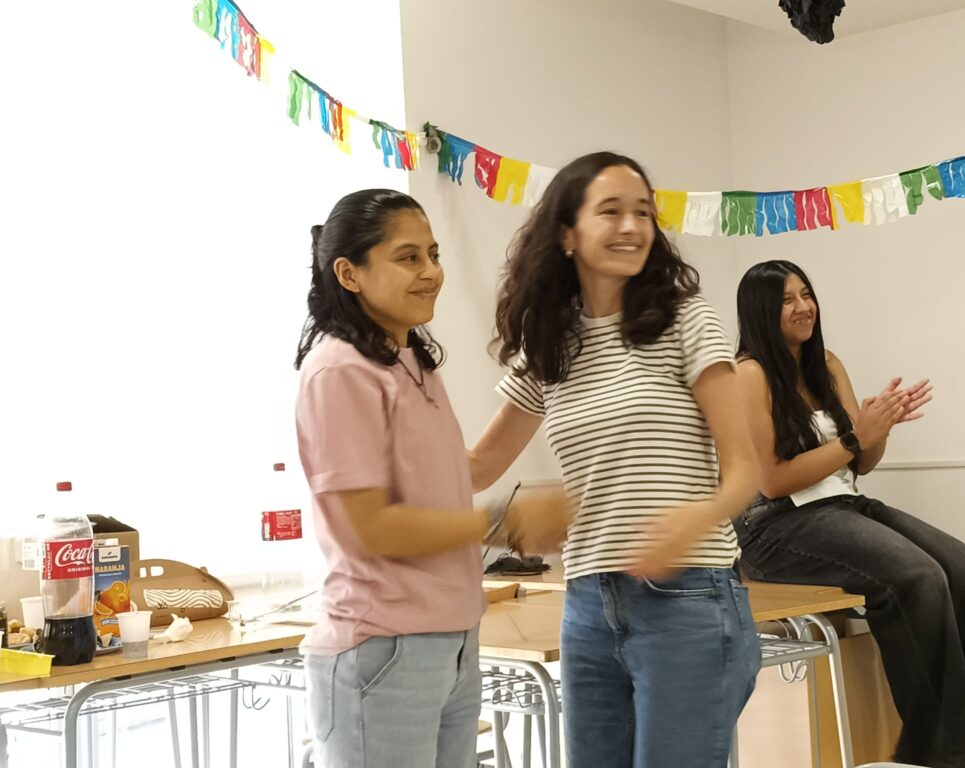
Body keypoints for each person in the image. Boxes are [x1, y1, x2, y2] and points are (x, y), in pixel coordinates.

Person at [468, 152, 762, 768]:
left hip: (689, 599)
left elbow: (744, 472)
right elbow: (475, 468)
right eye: (611, 212)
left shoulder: (686, 320)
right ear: (566, 234)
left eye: (643, 214)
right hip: (587, 605)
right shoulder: (551, 346)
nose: (632, 227)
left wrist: (694, 519)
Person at [293, 189, 567, 768]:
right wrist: (504, 521)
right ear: (349, 273)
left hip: (451, 640)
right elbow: (366, 526)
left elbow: (456, 474)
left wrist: (543, 380)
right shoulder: (339, 370)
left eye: (434, 254)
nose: (432, 273)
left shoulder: (411, 362)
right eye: (408, 257)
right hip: (381, 647)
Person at [734, 259, 965, 768]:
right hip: (773, 524)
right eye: (786, 300)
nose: (803, 307)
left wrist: (879, 429)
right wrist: (854, 436)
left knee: (959, 560)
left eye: (806, 294)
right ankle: (943, 749)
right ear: (760, 311)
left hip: (839, 502)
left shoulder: (827, 363)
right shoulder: (748, 375)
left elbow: (861, 462)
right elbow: (772, 480)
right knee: (915, 575)